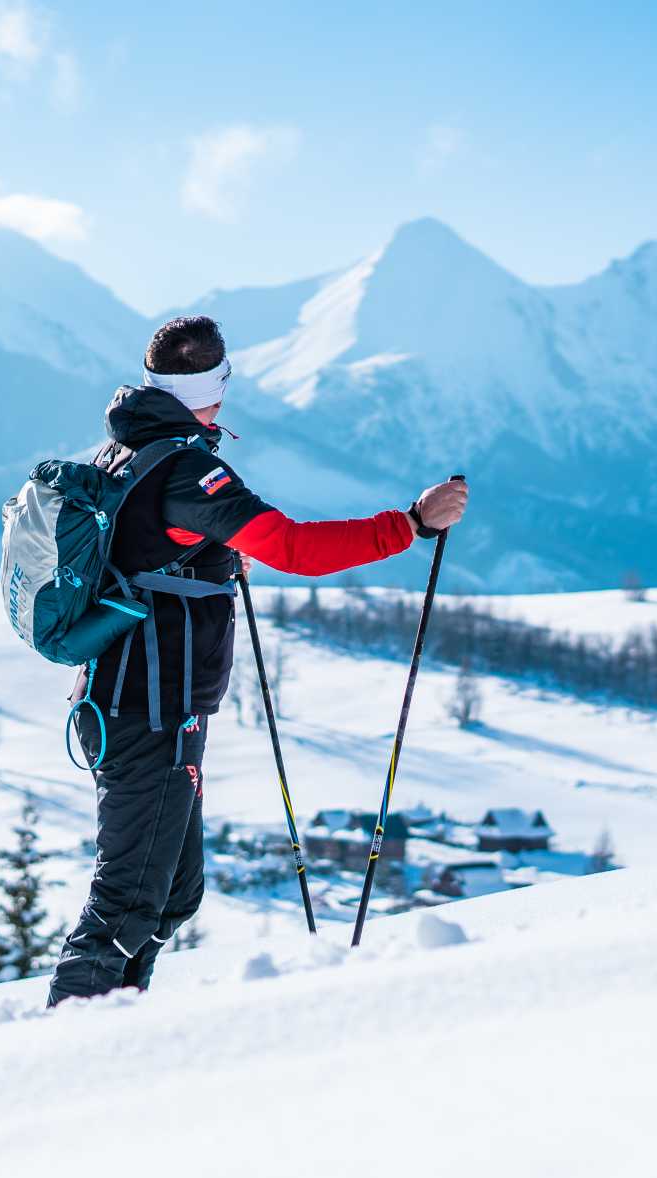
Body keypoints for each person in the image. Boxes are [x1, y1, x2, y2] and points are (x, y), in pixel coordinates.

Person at [47, 316, 468, 1005]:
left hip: (136, 697)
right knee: (126, 908)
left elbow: (147, 550)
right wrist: (412, 524)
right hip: (146, 705)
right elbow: (296, 549)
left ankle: (114, 1024)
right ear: (216, 386)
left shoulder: (123, 452)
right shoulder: (184, 469)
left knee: (173, 894)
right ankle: (63, 1056)